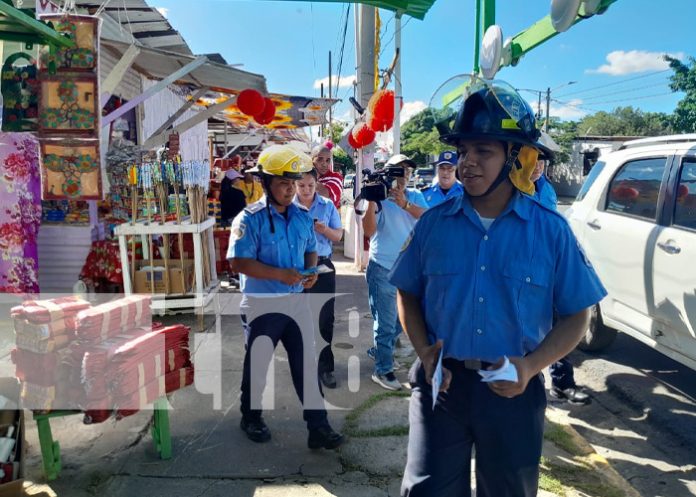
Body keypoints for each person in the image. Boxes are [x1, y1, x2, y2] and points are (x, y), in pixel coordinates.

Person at [389, 77, 606, 496]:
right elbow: (407, 293)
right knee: (425, 491)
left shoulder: (550, 232)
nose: (467, 162)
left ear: (515, 158)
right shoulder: (433, 225)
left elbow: (578, 314)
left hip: (513, 390)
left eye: (483, 151)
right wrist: (424, 353)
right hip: (443, 388)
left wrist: (530, 366)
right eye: (464, 150)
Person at [227, 144, 343, 450]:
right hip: (262, 305)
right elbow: (238, 262)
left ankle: (318, 427)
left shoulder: (303, 216)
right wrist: (281, 275)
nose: (290, 189)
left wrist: (310, 271)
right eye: (283, 183)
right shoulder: (248, 219)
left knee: (306, 364)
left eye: (293, 183)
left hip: (296, 303)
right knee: (259, 365)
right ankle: (250, 417)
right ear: (266, 183)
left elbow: (310, 248)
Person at [362, 154, 429, 391]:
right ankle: (383, 370)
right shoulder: (379, 199)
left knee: (406, 318)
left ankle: (382, 350)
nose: (404, 178)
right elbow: (368, 232)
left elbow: (428, 220)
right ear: (388, 173)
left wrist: (405, 205)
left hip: (409, 270)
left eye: (408, 172)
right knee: (387, 323)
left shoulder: (416, 196)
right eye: (399, 172)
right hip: (383, 268)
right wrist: (371, 200)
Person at [529, 159, 590, 406]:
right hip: (521, 270)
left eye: (541, 162)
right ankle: (529, 380)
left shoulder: (547, 189)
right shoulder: (509, 189)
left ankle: (562, 384)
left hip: (548, 267)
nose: (537, 166)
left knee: (559, 324)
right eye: (531, 160)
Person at [294, 170, 344, 389]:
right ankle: (303, 366)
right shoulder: (288, 207)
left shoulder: (326, 205)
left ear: (316, 184)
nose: (306, 190)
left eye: (310, 186)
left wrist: (324, 229)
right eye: (302, 186)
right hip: (297, 267)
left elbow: (338, 236)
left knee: (324, 319)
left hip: (323, 266)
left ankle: (326, 368)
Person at [312, 145, 343, 209]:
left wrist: (311, 177)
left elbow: (324, 196)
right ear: (312, 160)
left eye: (327, 160)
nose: (324, 164)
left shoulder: (335, 177)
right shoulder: (305, 176)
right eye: (320, 159)